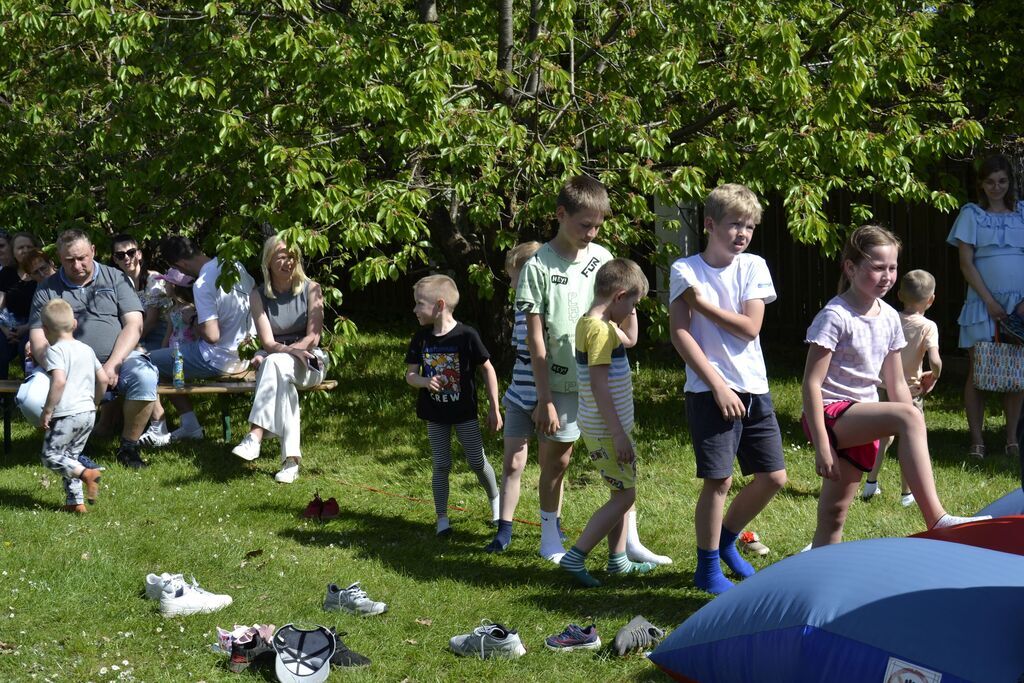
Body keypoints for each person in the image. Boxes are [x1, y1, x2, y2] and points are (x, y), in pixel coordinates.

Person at [803, 225, 989, 548]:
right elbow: (811, 384)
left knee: (834, 514)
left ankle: (815, 580)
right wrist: (822, 443)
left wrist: (910, 414)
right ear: (850, 268)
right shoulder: (835, 316)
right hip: (829, 415)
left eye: (892, 268)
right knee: (908, 417)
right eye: (877, 267)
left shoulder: (889, 317)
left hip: (861, 418)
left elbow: (896, 383)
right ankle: (937, 519)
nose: (887, 275)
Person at [516, 174, 666, 564]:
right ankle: (550, 534)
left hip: (602, 375)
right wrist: (544, 397)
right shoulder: (538, 266)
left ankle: (628, 541)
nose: (592, 232)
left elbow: (621, 309)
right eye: (585, 224)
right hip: (562, 382)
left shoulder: (601, 257)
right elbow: (535, 339)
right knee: (558, 458)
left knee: (622, 459)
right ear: (561, 215)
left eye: (598, 225)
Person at [669, 183, 787, 595]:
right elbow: (681, 334)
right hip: (709, 391)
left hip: (755, 386)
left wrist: (701, 305)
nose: (742, 234)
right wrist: (717, 385)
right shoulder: (685, 270)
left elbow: (750, 327)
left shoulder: (753, 266)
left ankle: (725, 541)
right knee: (718, 480)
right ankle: (706, 568)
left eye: (749, 227)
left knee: (773, 476)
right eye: (734, 224)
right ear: (709, 224)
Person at [558, 259, 658, 586]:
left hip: (605, 427)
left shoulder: (594, 323)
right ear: (618, 296)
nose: (633, 311)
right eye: (632, 303)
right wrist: (618, 434)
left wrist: (631, 305)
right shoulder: (600, 331)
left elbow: (630, 340)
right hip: (606, 430)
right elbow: (599, 385)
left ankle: (618, 561)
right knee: (624, 497)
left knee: (621, 490)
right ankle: (576, 556)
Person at [28, 230, 159, 469]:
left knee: (145, 376)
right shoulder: (47, 288)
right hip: (64, 363)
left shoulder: (115, 278)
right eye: (69, 260)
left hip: (117, 359)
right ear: (59, 258)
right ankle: (66, 444)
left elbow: (134, 324)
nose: (77, 265)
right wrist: (56, 367)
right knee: (29, 397)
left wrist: (113, 364)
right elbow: (37, 336)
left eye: (82, 258)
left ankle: (129, 447)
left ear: (93, 252)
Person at [404, 274, 501, 537]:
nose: (414, 310)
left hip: (464, 413)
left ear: (439, 305)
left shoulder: (466, 335)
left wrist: (494, 407)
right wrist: (424, 381)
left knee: (477, 461)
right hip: (435, 414)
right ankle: (442, 519)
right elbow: (410, 375)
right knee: (441, 464)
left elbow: (488, 369)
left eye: (419, 304)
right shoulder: (421, 338)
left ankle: (496, 503)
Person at [946, 154, 1024, 459]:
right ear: (981, 184)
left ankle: (1012, 439)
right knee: (977, 371)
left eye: (1002, 181)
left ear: (1010, 182)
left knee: (1017, 373)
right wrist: (990, 302)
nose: (997, 187)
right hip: (982, 303)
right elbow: (966, 263)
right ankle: (976, 440)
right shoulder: (971, 215)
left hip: (1019, 307)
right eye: (990, 182)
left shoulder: (1022, 214)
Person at [231, 236, 326, 484]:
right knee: (280, 375)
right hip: (278, 358)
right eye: (281, 256)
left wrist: (294, 350)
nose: (288, 261)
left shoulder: (312, 288)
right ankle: (290, 461)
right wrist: (286, 352)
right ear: (268, 262)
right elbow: (268, 342)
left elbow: (313, 337)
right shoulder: (258, 295)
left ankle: (255, 435)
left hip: (309, 360)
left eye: (292, 256)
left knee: (272, 363)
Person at [144, 235, 255, 444]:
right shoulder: (233, 265)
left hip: (217, 358)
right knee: (164, 361)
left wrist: (192, 317)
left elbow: (212, 336)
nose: (183, 273)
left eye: (180, 269)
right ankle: (189, 426)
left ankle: (162, 428)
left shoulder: (203, 283)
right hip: (246, 355)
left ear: (181, 264)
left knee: (145, 362)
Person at [861, 270, 942, 507]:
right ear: (931, 300)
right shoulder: (928, 326)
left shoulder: (889, 318)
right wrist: (934, 375)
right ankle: (907, 495)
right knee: (910, 439)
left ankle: (870, 484)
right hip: (909, 392)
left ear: (899, 295)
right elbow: (935, 361)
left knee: (881, 437)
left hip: (883, 386)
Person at [485, 241, 542, 552]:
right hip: (519, 395)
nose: (511, 283)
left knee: (551, 467)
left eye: (513, 276)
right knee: (513, 463)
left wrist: (544, 399)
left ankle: (552, 527)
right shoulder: (520, 310)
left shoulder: (547, 309)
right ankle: (504, 530)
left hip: (548, 398)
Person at [37, 299, 108, 513]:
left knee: (50, 456)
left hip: (67, 413)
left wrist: (48, 410)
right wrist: (95, 403)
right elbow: (103, 379)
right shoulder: (86, 349)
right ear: (75, 324)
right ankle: (75, 503)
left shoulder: (56, 351)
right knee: (70, 457)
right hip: (88, 412)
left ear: (45, 329)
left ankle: (87, 474)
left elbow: (59, 381)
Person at [110, 234, 170, 351]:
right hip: (136, 336)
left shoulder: (154, 279)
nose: (127, 258)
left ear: (139, 254)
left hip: (161, 336)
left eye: (131, 252)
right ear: (115, 259)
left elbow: (152, 321)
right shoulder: (117, 284)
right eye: (120, 255)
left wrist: (128, 343)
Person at [0, 232, 43, 378]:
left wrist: (27, 327)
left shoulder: (42, 272)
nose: (25, 251)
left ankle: (32, 390)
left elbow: (49, 306)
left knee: (26, 348)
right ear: (13, 252)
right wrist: (5, 329)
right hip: (10, 324)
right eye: (20, 248)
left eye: (28, 247)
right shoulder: (7, 273)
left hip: (38, 324)